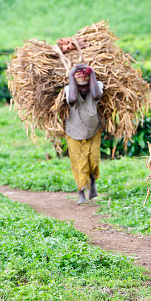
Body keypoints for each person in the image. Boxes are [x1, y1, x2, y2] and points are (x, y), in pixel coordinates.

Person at [64, 64, 104, 204]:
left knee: (93, 160)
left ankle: (92, 184)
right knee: (79, 163)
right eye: (80, 86)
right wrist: (71, 75)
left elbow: (95, 94)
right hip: (74, 133)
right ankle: (81, 192)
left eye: (85, 86)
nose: (83, 89)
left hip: (93, 131)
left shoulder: (96, 87)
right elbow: (73, 99)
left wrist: (91, 72)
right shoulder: (70, 89)